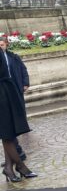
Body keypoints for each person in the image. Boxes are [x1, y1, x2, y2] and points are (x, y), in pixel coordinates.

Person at [1, 41, 37, 182]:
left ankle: (9, 168)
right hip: (3, 94)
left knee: (8, 132)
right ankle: (21, 167)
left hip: (7, 92)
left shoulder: (9, 55)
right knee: (7, 133)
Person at [0, 36, 29, 162]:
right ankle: (16, 154)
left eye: (1, 44)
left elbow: (23, 70)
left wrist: (25, 83)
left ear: (6, 44)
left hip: (14, 90)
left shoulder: (13, 57)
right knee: (7, 127)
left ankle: (14, 159)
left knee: (13, 123)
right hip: (3, 93)